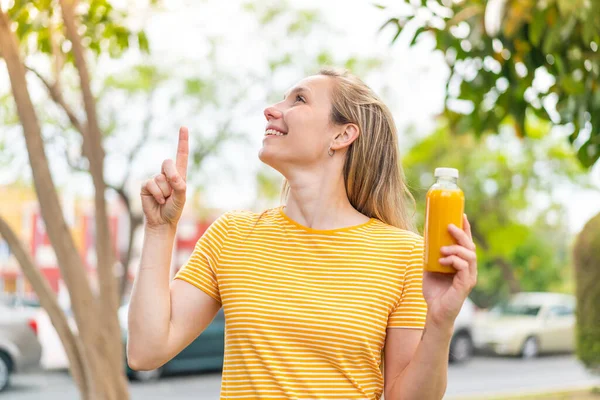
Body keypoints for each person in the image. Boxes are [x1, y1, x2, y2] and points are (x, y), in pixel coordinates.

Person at [127, 68, 477, 399]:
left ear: (342, 134)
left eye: (299, 99)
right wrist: (160, 230)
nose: (271, 110)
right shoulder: (232, 235)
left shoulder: (404, 255)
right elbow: (146, 351)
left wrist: (441, 321)